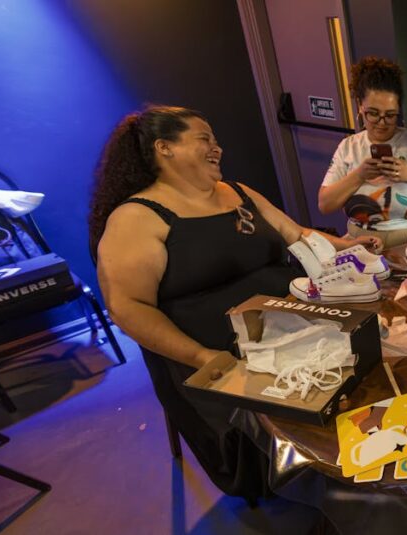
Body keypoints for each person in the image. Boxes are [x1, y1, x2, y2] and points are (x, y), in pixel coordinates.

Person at [90, 105, 380, 500]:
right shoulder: (137, 218)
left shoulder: (237, 192)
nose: (218, 148)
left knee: (373, 364)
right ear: (165, 148)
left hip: (293, 327)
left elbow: (296, 234)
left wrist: (349, 245)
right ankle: (335, 491)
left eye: (216, 140)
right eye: (204, 139)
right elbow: (128, 307)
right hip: (216, 353)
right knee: (318, 420)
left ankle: (362, 474)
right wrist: (200, 356)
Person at [318, 56, 407, 247]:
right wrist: (359, 176)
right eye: (373, 113)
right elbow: (325, 205)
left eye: (390, 115)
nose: (382, 123)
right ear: (360, 106)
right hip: (361, 244)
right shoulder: (348, 148)